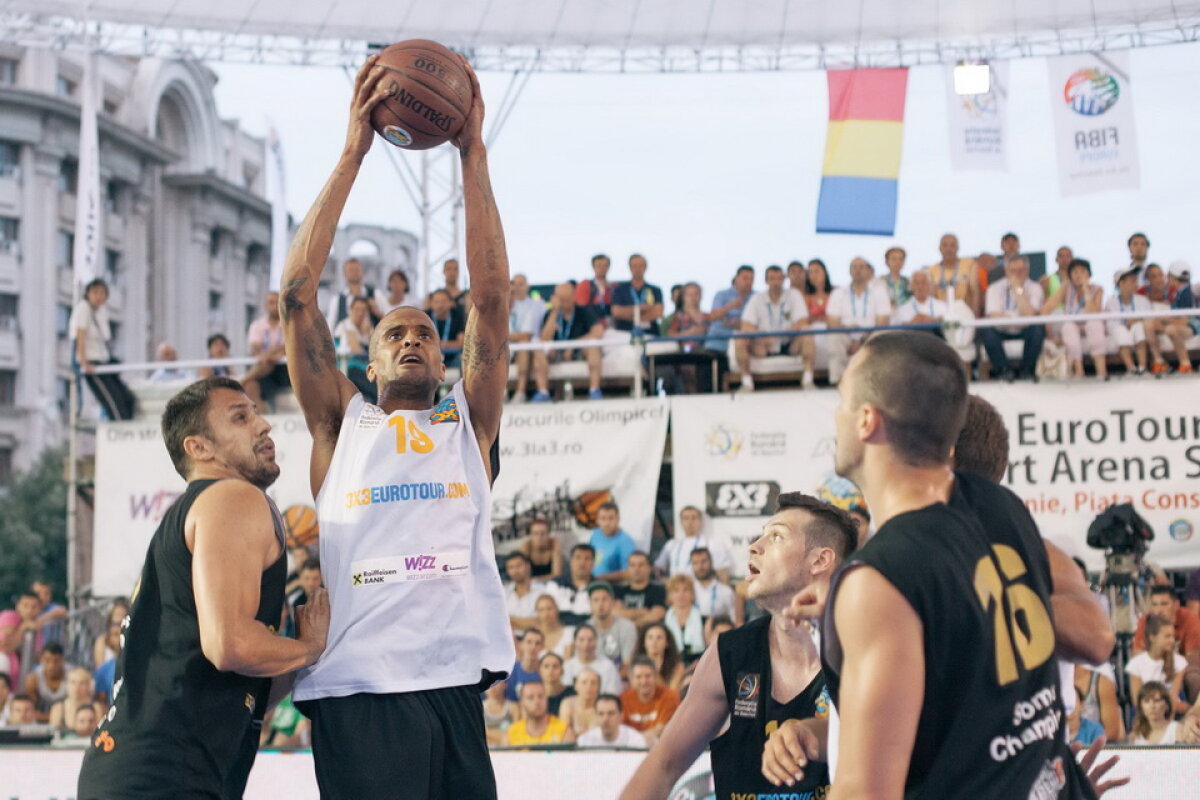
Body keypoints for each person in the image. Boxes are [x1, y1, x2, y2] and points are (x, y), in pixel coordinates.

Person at [279, 55, 515, 800]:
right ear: (370, 359)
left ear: (442, 357)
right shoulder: (339, 424)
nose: (411, 338)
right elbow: (294, 296)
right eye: (394, 334)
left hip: (452, 681)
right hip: (356, 686)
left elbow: (490, 303)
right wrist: (354, 150)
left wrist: (472, 155)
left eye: (423, 332)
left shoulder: (467, 423)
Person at [818, 331, 1094, 799]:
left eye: (843, 399)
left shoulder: (881, 579)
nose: (836, 414)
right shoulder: (999, 506)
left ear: (867, 420)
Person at [76, 377, 331, 800]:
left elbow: (241, 686)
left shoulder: (196, 513)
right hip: (163, 776)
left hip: (141, 769)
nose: (263, 424)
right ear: (199, 447)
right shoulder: (232, 497)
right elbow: (229, 645)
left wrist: (304, 661)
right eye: (240, 417)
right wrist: (310, 649)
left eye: (255, 412)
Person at [620, 492, 857, 800]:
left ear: (820, 560)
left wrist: (814, 735)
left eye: (776, 537)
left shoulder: (860, 650)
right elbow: (664, 764)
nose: (754, 547)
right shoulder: (728, 654)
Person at [737, 264, 814, 391]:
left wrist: (778, 336)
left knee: (807, 331)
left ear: (784, 280)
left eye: (779, 278)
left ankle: (808, 380)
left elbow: (802, 321)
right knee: (739, 338)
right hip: (763, 346)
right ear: (766, 281)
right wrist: (762, 336)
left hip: (789, 344)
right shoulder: (757, 298)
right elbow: (746, 325)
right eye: (772, 279)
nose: (776, 282)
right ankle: (746, 383)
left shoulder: (794, 295)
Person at [70, 277, 136, 420]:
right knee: (114, 402)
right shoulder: (83, 308)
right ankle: (120, 429)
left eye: (102, 293)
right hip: (93, 364)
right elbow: (80, 334)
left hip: (104, 362)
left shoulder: (101, 312)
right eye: (95, 292)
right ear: (88, 293)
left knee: (127, 398)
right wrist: (83, 362)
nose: (98, 296)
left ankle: (125, 426)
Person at [532, 281, 605, 401]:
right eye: (561, 299)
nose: (565, 302)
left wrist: (574, 345)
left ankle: (594, 390)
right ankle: (543, 392)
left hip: (578, 350)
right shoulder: (550, 314)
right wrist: (555, 311)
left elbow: (598, 332)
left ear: (573, 297)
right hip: (555, 352)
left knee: (593, 349)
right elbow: (544, 338)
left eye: (567, 299)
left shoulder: (583, 312)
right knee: (539, 352)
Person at [979, 254, 1046, 381]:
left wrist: (1018, 290)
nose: (1017, 274)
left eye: (1021, 270)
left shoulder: (1035, 288)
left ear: (1027, 271)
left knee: (1037, 328)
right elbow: (993, 315)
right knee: (986, 328)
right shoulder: (994, 288)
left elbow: (1030, 314)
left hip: (1025, 330)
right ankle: (1004, 370)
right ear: (1006, 271)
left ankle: (1027, 370)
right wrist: (1016, 317)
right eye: (1013, 271)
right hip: (1002, 329)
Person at [825, 257, 891, 386]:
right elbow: (832, 322)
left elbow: (883, 321)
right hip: (845, 334)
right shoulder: (838, 293)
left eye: (861, 267)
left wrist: (862, 340)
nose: (858, 270)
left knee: (881, 335)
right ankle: (837, 381)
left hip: (870, 335)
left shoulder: (879, 292)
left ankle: (878, 383)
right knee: (834, 337)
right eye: (854, 267)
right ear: (850, 271)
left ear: (868, 271)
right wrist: (846, 330)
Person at [1043, 258, 1107, 380]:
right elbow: (1047, 308)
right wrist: (1050, 334)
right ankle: (1079, 370)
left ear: (1089, 274)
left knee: (1094, 324)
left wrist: (1086, 290)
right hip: (1073, 326)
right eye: (1075, 272)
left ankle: (1101, 371)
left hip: (1091, 324)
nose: (1079, 275)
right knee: (1068, 327)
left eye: (1082, 271)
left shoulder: (1097, 289)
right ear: (1070, 276)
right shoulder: (1067, 289)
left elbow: (1094, 313)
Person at [1125, 615, 1189, 715]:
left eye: (1173, 636)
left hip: (1171, 712)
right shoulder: (1136, 664)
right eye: (1167, 636)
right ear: (1152, 638)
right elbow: (1137, 701)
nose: (1172, 641)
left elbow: (1173, 698)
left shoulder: (1179, 662)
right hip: (1146, 712)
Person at [656, 506, 733, 581]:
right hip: (678, 590)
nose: (690, 522)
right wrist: (667, 582)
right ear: (681, 521)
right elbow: (658, 568)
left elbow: (722, 573)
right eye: (686, 518)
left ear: (700, 521)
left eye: (694, 518)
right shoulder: (672, 544)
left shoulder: (712, 544)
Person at [245, 290, 291, 410]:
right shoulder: (257, 325)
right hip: (265, 369)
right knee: (251, 386)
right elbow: (255, 349)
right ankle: (265, 416)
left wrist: (269, 355)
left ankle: (242, 380)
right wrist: (274, 352)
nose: (274, 306)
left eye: (277, 302)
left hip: (285, 369)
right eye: (271, 303)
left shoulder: (290, 324)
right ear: (265, 306)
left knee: (266, 363)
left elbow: (288, 348)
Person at [620, 657, 680, 746]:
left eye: (648, 676)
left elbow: (661, 730)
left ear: (655, 676)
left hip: (660, 747)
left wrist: (636, 739)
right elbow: (621, 732)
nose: (644, 681)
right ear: (631, 679)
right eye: (639, 677)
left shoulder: (669, 696)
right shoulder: (622, 699)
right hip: (629, 749)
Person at [1105, 267, 1151, 375]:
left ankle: (1142, 368)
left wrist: (1135, 321)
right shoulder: (1111, 302)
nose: (1135, 284)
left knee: (1139, 327)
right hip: (1120, 329)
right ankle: (1131, 369)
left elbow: (1148, 318)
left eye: (1136, 280)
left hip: (1137, 328)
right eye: (1132, 281)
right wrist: (1126, 325)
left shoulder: (1142, 300)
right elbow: (1111, 323)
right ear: (1121, 283)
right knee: (1120, 331)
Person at [508, 273, 546, 401]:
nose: (518, 288)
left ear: (527, 286)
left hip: (529, 345)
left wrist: (507, 336)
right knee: (522, 346)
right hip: (508, 347)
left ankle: (522, 391)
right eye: (515, 285)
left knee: (525, 347)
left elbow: (527, 334)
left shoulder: (537, 305)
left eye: (521, 284)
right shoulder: (504, 306)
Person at [333, 295, 378, 401]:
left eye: (363, 310)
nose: (360, 313)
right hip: (349, 368)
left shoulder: (367, 327)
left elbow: (376, 350)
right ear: (351, 310)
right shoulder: (345, 325)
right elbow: (357, 350)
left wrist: (368, 332)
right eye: (357, 309)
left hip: (364, 366)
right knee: (374, 387)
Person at [704, 265, 755, 353]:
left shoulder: (756, 297)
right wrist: (731, 306)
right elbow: (713, 316)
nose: (748, 282)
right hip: (718, 341)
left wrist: (742, 325)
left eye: (751, 279)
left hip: (745, 343)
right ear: (736, 278)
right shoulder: (721, 295)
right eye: (745, 278)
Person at [611, 253, 664, 337]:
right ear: (630, 268)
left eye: (640, 266)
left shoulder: (655, 290)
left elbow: (657, 312)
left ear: (645, 267)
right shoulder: (619, 290)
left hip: (650, 333)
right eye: (634, 266)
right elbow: (617, 312)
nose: (637, 269)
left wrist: (629, 314)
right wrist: (642, 309)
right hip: (625, 334)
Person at [587, 583, 638, 668]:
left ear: (612, 603)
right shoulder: (584, 629)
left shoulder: (627, 627)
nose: (600, 604)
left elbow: (627, 664)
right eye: (596, 600)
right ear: (590, 605)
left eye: (604, 599)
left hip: (619, 679)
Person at [928, 233, 981, 315]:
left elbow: (975, 291)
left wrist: (974, 316)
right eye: (945, 245)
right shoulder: (932, 270)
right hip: (941, 314)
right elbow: (931, 296)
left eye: (952, 245)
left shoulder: (969, 264)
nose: (948, 249)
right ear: (939, 248)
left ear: (957, 248)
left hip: (964, 313)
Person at [505, 680, 571, 745]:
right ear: (522, 702)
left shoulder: (563, 731)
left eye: (541, 696)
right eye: (530, 697)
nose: (537, 702)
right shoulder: (511, 733)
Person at [562, 625, 622, 695]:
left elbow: (612, 694)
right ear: (575, 642)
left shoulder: (608, 666)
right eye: (581, 640)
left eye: (590, 640)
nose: (586, 644)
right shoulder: (567, 666)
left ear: (596, 642)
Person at [614, 551, 667, 627]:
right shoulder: (618, 590)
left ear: (649, 568)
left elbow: (657, 615)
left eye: (641, 565)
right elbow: (615, 613)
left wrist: (631, 625)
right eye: (632, 565)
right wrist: (641, 612)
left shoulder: (658, 591)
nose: (636, 569)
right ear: (628, 568)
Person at [326, 257, 382, 330]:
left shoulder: (376, 294)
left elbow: (390, 320)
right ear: (344, 274)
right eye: (351, 270)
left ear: (362, 272)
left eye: (357, 269)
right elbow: (330, 326)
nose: (354, 273)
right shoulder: (337, 300)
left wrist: (378, 312)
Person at [589, 502, 637, 582]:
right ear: (597, 520)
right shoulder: (595, 534)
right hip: (591, 582)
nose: (607, 523)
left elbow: (629, 572)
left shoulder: (626, 542)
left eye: (611, 518)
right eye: (603, 518)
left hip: (612, 587)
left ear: (618, 519)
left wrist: (603, 577)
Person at [0, 591, 43, 679]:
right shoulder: (9, 616)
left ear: (39, 609)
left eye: (34, 607)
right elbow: (6, 646)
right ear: (17, 607)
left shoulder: (35, 626)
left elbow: (36, 656)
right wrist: (23, 628)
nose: (29, 610)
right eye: (25, 605)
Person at [578, 694, 648, 748]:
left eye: (610, 713)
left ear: (621, 716)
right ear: (595, 716)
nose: (605, 719)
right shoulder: (585, 741)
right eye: (601, 714)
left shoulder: (636, 741)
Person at [664, 574, 705, 664]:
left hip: (699, 664)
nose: (681, 594)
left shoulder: (705, 621)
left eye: (685, 590)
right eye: (676, 590)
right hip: (671, 664)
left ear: (692, 594)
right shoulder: (663, 622)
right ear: (670, 595)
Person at [553, 544, 598, 625]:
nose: (582, 563)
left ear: (593, 563)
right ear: (570, 561)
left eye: (587, 559)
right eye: (578, 557)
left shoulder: (600, 588)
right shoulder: (555, 585)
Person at [689, 549, 736, 625]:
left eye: (703, 561)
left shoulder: (726, 591)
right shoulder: (688, 590)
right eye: (695, 563)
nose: (700, 567)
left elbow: (734, 619)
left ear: (711, 562)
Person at [23, 643, 68, 722]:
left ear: (62, 660)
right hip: (41, 719)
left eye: (56, 661)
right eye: (47, 661)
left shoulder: (72, 676)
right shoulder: (34, 679)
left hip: (67, 718)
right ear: (41, 659)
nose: (51, 665)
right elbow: (30, 711)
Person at [504, 551, 548, 633]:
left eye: (518, 566)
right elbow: (499, 621)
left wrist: (510, 619)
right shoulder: (503, 592)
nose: (515, 571)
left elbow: (541, 622)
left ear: (528, 566)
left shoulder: (542, 591)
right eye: (511, 567)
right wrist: (527, 622)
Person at [634, 622, 684, 691]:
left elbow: (672, 693)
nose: (654, 642)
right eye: (650, 637)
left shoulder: (677, 667)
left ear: (667, 643)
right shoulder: (634, 665)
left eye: (659, 638)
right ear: (644, 642)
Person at [426, 288, 468, 367]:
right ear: (431, 303)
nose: (440, 305)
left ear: (451, 303)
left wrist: (438, 344)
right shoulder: (425, 316)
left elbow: (461, 343)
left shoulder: (458, 316)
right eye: (436, 302)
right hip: (430, 356)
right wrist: (449, 344)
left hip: (452, 356)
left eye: (443, 301)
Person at [558, 667, 602, 738]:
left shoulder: (603, 707)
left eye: (593, 683)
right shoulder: (568, 704)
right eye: (584, 682)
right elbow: (564, 733)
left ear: (598, 687)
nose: (589, 686)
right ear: (576, 686)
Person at [505, 628, 545, 703]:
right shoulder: (510, 670)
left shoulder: (545, 671)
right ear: (521, 645)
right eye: (529, 642)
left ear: (542, 647)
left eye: (537, 643)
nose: (533, 646)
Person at [575, 253, 615, 321]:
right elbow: (581, 309)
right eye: (599, 266)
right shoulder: (585, 285)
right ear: (593, 267)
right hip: (592, 324)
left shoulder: (614, 287)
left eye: (605, 265)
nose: (602, 269)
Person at [533, 593, 574, 658]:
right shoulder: (532, 636)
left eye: (549, 609)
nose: (546, 614)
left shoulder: (569, 633)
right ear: (537, 613)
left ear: (557, 609)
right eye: (541, 610)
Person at [481, 679, 516, 747]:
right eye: (488, 683)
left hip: (508, 749)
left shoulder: (513, 707)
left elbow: (517, 734)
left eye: (496, 683)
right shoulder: (480, 708)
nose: (492, 687)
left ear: (505, 684)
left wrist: (489, 734)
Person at [539, 651, 573, 716]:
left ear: (562, 671)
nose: (550, 670)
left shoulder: (572, 693)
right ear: (540, 671)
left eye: (555, 666)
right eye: (546, 666)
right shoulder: (536, 696)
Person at [804, 259, 833, 324]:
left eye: (817, 271)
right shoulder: (806, 298)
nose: (814, 276)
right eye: (810, 272)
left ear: (825, 272)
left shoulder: (835, 293)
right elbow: (804, 320)